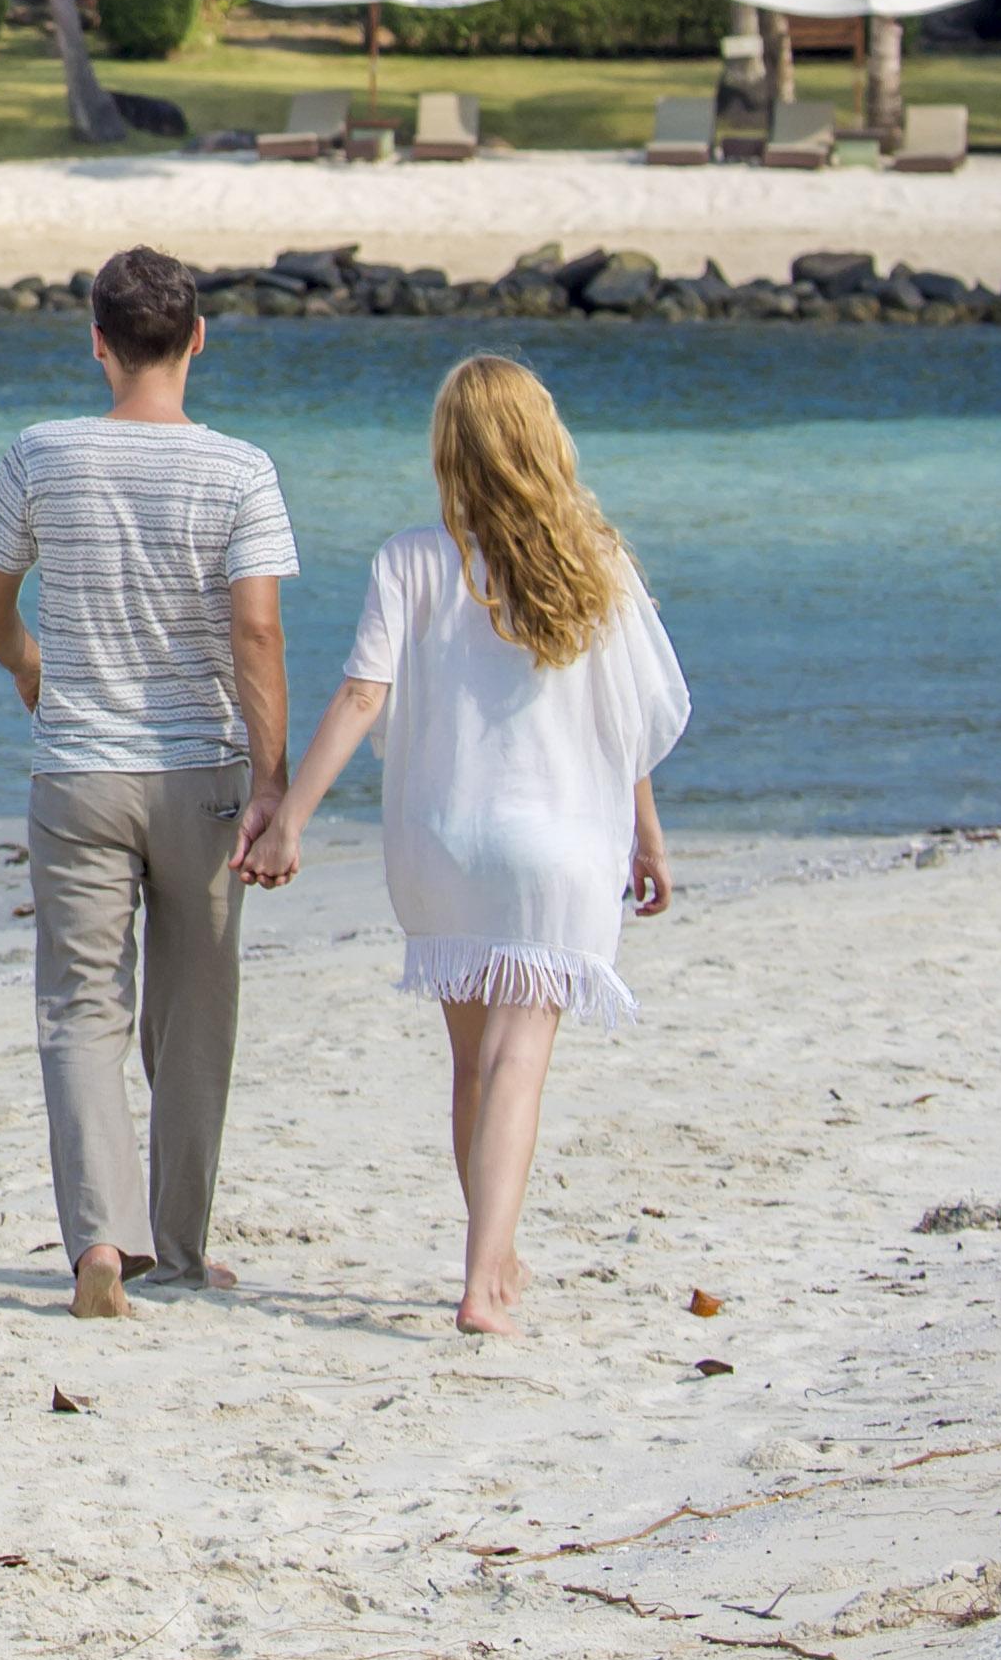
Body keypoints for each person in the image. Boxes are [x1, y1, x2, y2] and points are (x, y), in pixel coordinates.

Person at [240, 353, 688, 1338]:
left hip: (442, 842)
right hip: (559, 843)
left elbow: (363, 696)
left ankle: (492, 1244)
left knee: (473, 1065)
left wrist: (292, 816)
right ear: (543, 442)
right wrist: (647, 840)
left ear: (450, 450)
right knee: (522, 1058)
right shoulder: (595, 560)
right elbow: (629, 725)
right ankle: (485, 1282)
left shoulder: (409, 559)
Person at [0, 244, 293, 1318]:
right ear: (200, 339)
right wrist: (273, 778)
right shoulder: (241, 470)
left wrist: (30, 668)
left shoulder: (40, 454)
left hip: (79, 771)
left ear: (98, 343)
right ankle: (185, 1252)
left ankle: (101, 1243)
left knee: (79, 1009)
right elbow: (255, 628)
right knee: (195, 1013)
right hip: (200, 768)